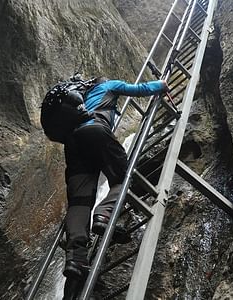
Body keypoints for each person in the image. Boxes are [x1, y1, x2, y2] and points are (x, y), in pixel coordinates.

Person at [62, 77, 169, 278]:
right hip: (95, 130)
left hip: (73, 145)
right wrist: (161, 86)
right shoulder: (107, 85)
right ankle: (103, 214)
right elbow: (140, 88)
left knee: (79, 202)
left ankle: (75, 258)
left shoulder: (78, 100)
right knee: (123, 178)